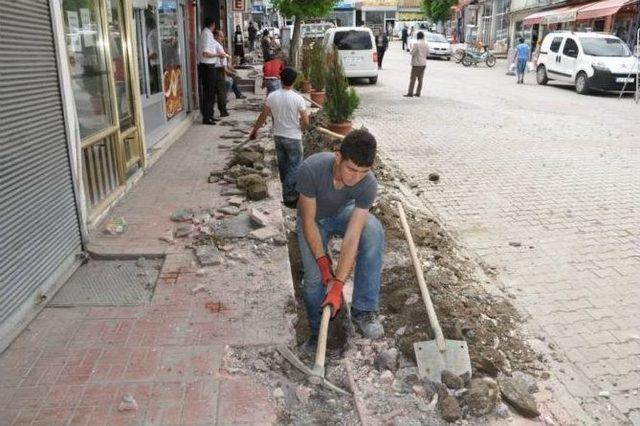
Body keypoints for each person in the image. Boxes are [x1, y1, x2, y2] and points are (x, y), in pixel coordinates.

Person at [295, 129, 385, 354]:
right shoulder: (311, 169)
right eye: (351, 169)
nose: (356, 177)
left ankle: (363, 310)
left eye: (363, 172)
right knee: (315, 280)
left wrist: (337, 284)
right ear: (338, 157)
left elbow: (353, 235)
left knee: (373, 231)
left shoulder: (368, 184)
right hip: (312, 218)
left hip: (340, 213)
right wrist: (324, 264)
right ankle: (317, 335)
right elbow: (308, 221)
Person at [249, 67, 309, 206]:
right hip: (293, 137)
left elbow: (263, 117)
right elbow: (306, 121)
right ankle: (289, 195)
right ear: (294, 81)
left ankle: (286, 191)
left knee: (284, 165)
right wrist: (302, 128)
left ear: (281, 79)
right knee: (295, 165)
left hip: (278, 136)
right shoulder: (298, 98)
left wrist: (254, 131)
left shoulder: (272, 96)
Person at [199, 17, 227, 124]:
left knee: (211, 93)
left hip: (209, 67)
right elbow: (205, 53)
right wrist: (218, 54)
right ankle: (207, 117)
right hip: (207, 66)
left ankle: (210, 114)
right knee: (208, 94)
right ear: (213, 24)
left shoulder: (207, 34)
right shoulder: (207, 34)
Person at [213, 30, 231, 117]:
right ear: (215, 36)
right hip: (218, 70)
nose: (222, 39)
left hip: (216, 70)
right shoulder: (216, 45)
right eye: (220, 36)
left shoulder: (216, 45)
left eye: (223, 36)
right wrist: (229, 73)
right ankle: (223, 110)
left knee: (220, 91)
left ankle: (222, 109)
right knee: (221, 92)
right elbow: (223, 64)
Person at [405, 31, 428, 97]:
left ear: (417, 36)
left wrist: (411, 49)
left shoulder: (416, 44)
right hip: (423, 63)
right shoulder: (426, 44)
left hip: (416, 63)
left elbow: (412, 53)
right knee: (420, 79)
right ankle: (418, 92)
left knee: (413, 79)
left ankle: (410, 92)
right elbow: (427, 53)